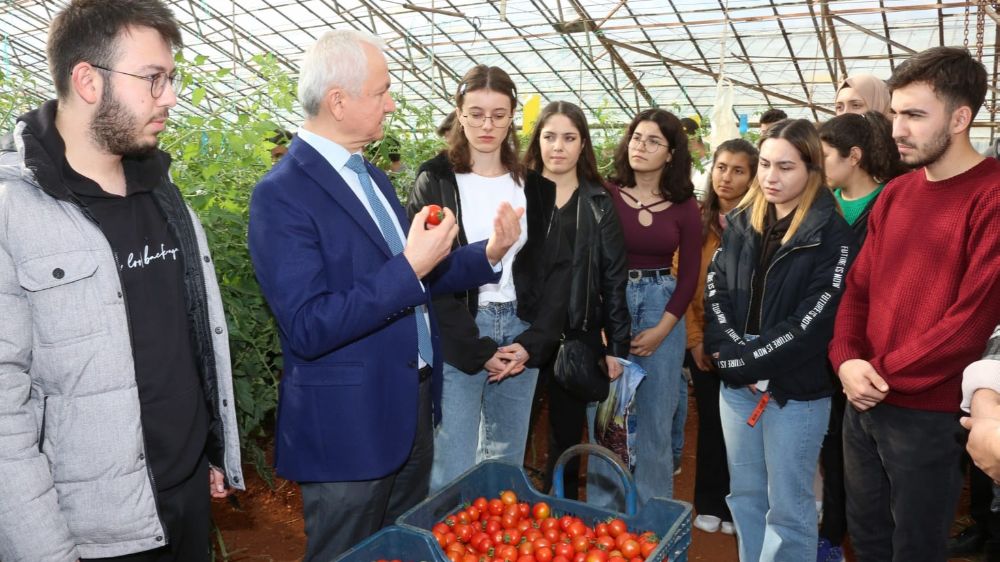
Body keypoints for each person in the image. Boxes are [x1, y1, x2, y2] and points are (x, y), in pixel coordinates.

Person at [247, 32, 523, 561]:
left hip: (407, 405)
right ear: (339, 101)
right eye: (382, 92)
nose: (392, 103)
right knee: (346, 551)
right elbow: (309, 324)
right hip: (349, 424)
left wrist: (487, 252)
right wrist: (410, 267)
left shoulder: (368, 175)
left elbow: (416, 277)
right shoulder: (281, 195)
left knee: (398, 547)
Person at [0, 1, 244, 560]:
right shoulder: (16, 213)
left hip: (184, 501)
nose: (171, 97)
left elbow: (185, 340)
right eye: (153, 79)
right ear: (87, 80)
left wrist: (209, 448)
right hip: (95, 532)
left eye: (172, 78)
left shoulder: (162, 192)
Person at [828, 46, 1000, 562]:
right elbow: (857, 288)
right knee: (868, 535)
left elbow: (971, 323)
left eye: (915, 115)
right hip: (864, 399)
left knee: (916, 546)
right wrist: (847, 359)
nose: (897, 128)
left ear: (960, 117)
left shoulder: (991, 197)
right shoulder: (899, 193)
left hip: (929, 413)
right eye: (896, 112)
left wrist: (874, 373)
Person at [407, 65, 570, 493]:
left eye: (499, 115)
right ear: (459, 114)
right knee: (453, 457)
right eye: (476, 113)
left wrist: (533, 344)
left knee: (506, 458)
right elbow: (427, 274)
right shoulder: (435, 180)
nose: (487, 125)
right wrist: (476, 349)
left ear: (513, 116)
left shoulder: (535, 188)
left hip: (521, 327)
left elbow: (556, 273)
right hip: (460, 328)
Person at [704, 119, 857, 562]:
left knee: (789, 508)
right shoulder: (739, 223)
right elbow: (715, 293)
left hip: (795, 391)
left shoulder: (832, 234)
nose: (771, 177)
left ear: (812, 170)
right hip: (738, 384)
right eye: (766, 164)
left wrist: (744, 362)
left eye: (785, 167)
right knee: (746, 495)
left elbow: (814, 320)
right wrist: (736, 358)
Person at [586, 108, 701, 508]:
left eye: (654, 141)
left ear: (671, 154)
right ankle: (603, 518)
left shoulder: (686, 206)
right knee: (605, 417)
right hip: (609, 301)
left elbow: (688, 276)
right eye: (637, 137)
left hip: (660, 303)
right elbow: (590, 261)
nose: (641, 146)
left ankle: (654, 527)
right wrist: (600, 323)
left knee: (656, 418)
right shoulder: (605, 192)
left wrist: (664, 328)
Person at [521, 101, 630, 499]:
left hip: (576, 335)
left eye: (569, 138)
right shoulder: (520, 192)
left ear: (583, 144)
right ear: (538, 141)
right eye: (550, 137)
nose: (558, 147)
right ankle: (515, 509)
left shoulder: (600, 202)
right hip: (524, 330)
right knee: (515, 428)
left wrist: (617, 346)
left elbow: (615, 277)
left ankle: (562, 513)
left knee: (566, 435)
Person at [815, 110, 906, 562]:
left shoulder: (891, 202)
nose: (818, 166)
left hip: (871, 352)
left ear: (854, 156)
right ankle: (833, 535)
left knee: (876, 463)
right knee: (833, 448)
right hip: (826, 346)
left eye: (825, 156)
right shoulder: (822, 202)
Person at [685, 138, 758, 536]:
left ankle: (738, 505)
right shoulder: (697, 222)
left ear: (753, 177)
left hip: (747, 347)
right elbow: (685, 284)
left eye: (738, 170)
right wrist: (695, 339)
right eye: (720, 167)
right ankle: (709, 501)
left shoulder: (761, 224)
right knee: (712, 423)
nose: (726, 177)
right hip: (703, 343)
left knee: (746, 427)